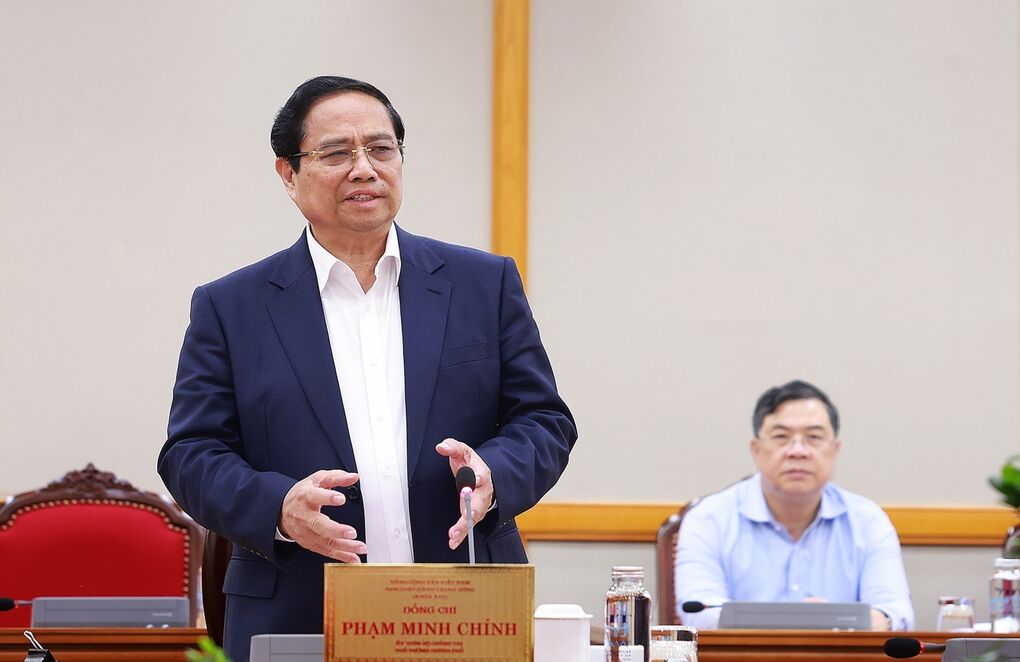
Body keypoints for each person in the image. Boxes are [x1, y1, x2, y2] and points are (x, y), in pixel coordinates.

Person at [158, 76, 576, 662]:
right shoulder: (231, 306)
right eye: (336, 153)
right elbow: (191, 453)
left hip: (466, 612)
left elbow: (544, 421)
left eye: (381, 149)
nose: (364, 169)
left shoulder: (483, 284)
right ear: (288, 174)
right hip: (297, 611)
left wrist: (494, 474)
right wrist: (279, 507)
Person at [674, 380, 913, 631]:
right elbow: (697, 614)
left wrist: (843, 622)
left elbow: (896, 614)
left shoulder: (868, 521)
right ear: (756, 450)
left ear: (835, 450)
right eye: (781, 437)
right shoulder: (709, 519)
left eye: (814, 437)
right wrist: (805, 621)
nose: (798, 451)